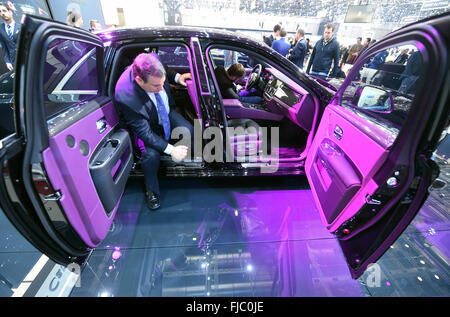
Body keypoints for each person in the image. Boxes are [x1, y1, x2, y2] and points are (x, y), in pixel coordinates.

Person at [114, 53, 193, 210]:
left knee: (188, 130)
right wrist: (171, 150)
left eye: (163, 83)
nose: (162, 88)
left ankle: (175, 157)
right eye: (156, 86)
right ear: (139, 81)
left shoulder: (153, 59)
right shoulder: (126, 96)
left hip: (165, 110)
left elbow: (166, 70)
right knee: (151, 156)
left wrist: (177, 77)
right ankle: (152, 190)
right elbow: (145, 133)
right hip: (147, 124)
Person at [0, 3, 20, 71]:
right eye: (0, 12)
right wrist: (7, 62)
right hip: (13, 62)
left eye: (4, 10)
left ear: (10, 12)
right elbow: (4, 47)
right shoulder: (0, 29)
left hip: (26, 59)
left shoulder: (21, 27)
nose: (2, 13)